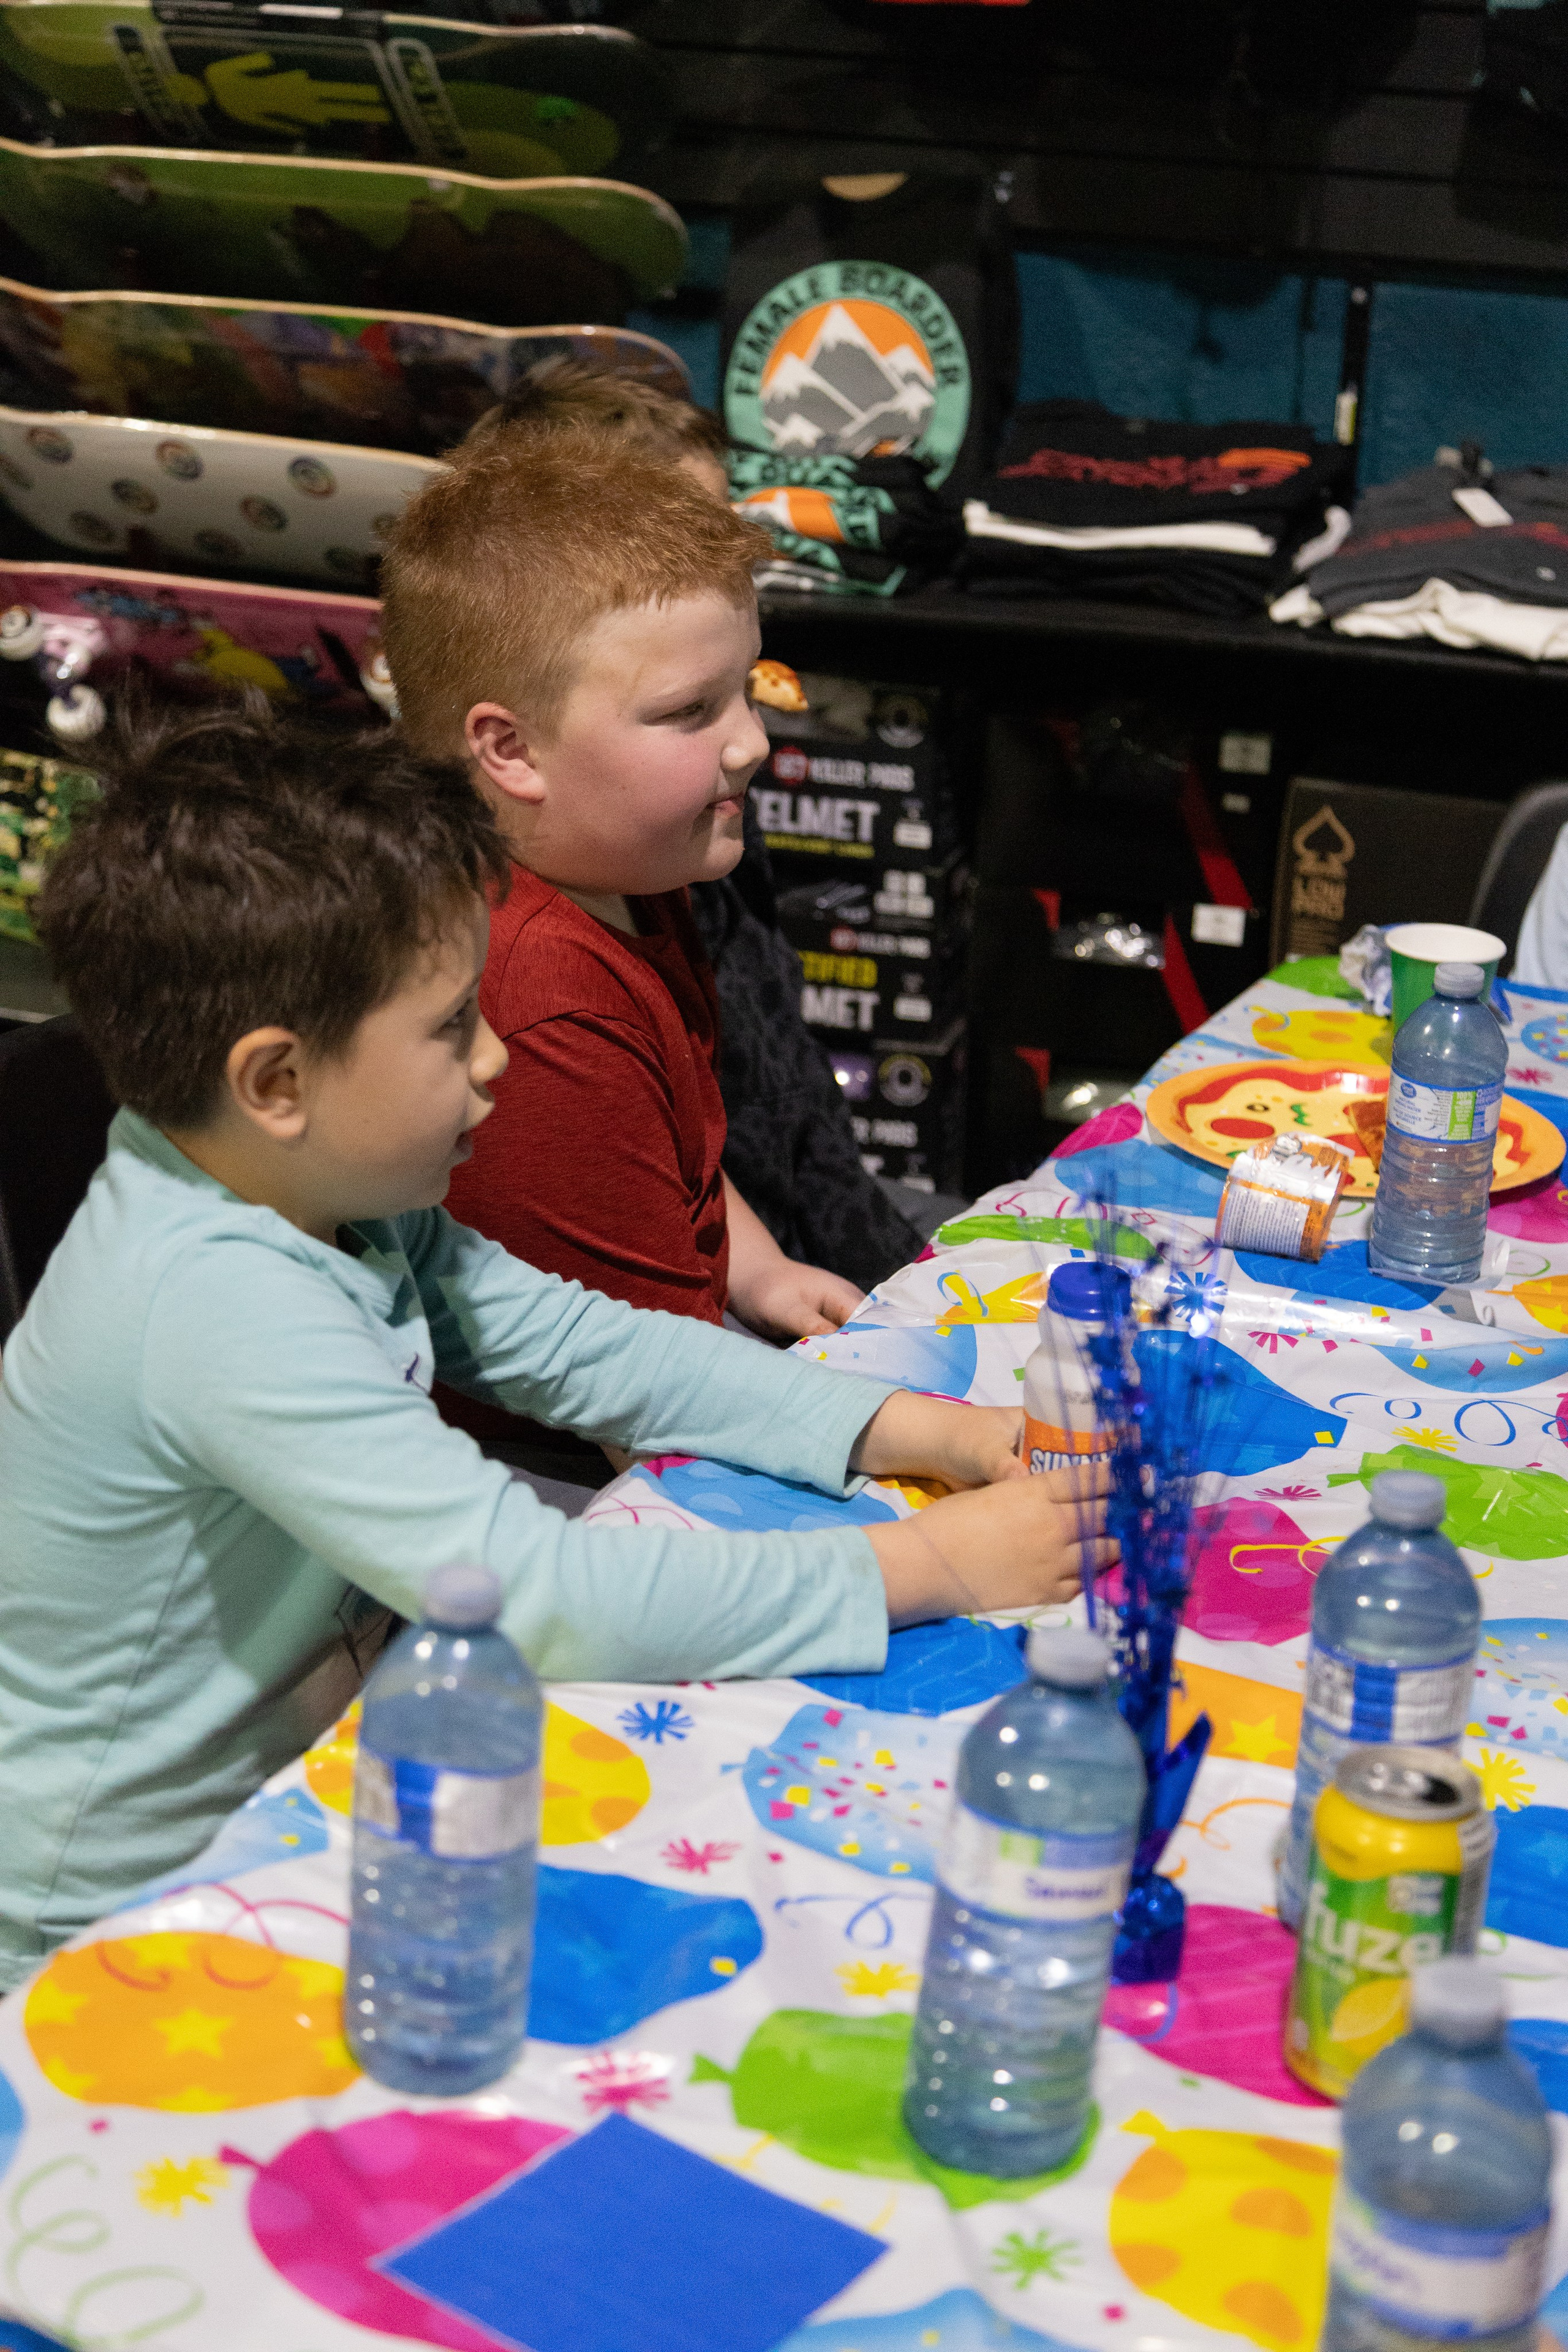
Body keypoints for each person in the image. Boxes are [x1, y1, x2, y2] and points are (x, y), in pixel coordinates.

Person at [0, 701, 1112, 1978]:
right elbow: (535, 1598)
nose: (495, 1057)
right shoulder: (213, 1303)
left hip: (292, 1787)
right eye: (446, 1026)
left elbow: (589, 1348)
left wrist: (931, 1430)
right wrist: (934, 1566)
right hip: (118, 1913)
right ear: (277, 1085)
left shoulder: (308, 1192)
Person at [402, 361, 927, 1319]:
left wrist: (759, 1270)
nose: (756, 742)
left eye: (745, 691)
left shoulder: (640, 871)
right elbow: (639, 1392)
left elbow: (677, 1146)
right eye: (689, 709)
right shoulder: (547, 1013)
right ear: (510, 748)